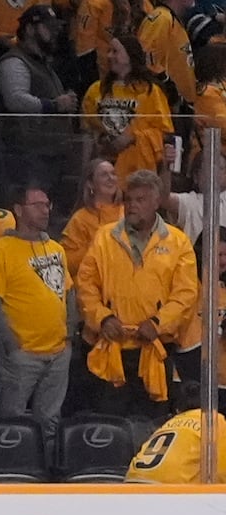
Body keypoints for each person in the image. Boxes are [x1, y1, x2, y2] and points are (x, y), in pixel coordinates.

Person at [77, 169, 199, 418]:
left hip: (155, 349)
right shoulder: (104, 237)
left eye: (140, 200)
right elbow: (86, 285)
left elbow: (186, 294)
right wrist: (102, 318)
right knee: (110, 425)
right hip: (112, 347)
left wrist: (158, 323)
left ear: (156, 202)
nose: (132, 205)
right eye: (129, 199)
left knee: (152, 426)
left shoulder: (178, 242)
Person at [0, 183, 72, 436]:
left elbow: (69, 292)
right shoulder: (0, 251)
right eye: (38, 205)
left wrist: (69, 334)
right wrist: (11, 344)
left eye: (47, 204)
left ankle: (48, 473)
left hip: (58, 352)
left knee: (50, 423)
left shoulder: (56, 248)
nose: (46, 210)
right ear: (19, 210)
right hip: (22, 355)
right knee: (12, 423)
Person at [0, 6, 79, 195]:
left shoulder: (43, 64)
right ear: (30, 30)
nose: (55, 32)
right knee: (28, 206)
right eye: (48, 27)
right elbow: (15, 99)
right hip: (24, 155)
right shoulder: (15, 61)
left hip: (48, 154)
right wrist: (55, 104)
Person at [82, 35, 172, 179]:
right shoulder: (96, 90)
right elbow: (87, 131)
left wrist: (132, 137)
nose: (109, 55)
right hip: (103, 168)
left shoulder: (150, 91)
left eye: (115, 51)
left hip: (138, 173)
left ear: (130, 55)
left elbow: (164, 132)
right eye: (108, 51)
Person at [127, 383, 226, 482]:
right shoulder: (214, 420)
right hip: (171, 489)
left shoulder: (167, 424)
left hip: (133, 480)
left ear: (178, 410)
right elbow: (222, 469)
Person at [61, 158, 122, 276]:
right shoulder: (80, 219)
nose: (111, 178)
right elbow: (66, 262)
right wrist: (95, 245)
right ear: (90, 183)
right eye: (104, 175)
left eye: (113, 174)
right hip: (92, 287)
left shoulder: (129, 212)